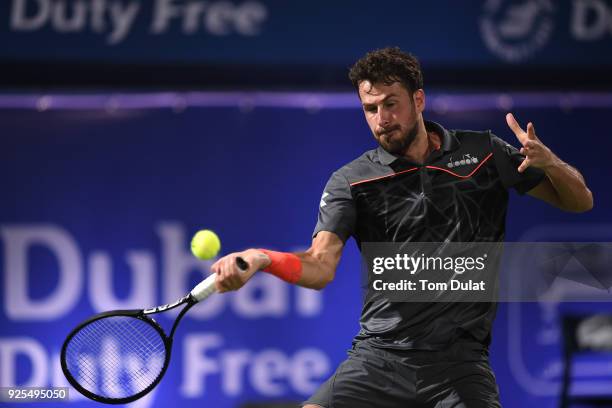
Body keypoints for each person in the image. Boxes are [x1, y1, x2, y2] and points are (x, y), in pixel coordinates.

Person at [210, 47, 593, 407]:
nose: (381, 119)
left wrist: (552, 164)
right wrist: (262, 258)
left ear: (418, 101)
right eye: (370, 109)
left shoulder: (484, 154)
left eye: (390, 104)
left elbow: (579, 201)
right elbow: (319, 266)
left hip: (459, 364)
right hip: (378, 359)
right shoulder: (351, 181)